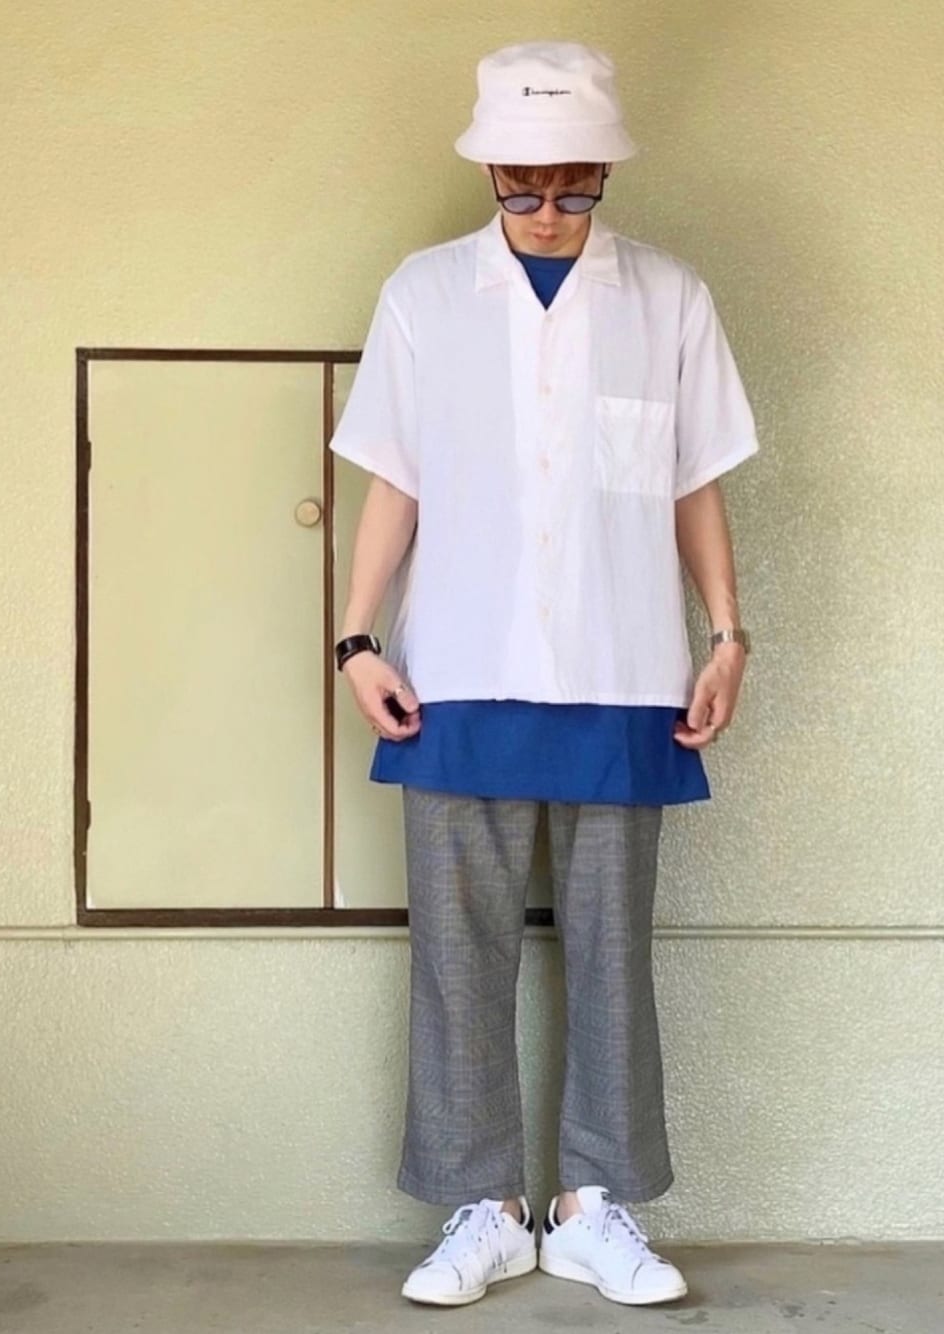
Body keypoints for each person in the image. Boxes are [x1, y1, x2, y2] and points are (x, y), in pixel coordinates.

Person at [329, 40, 758, 1310]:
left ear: (605, 173)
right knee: (456, 954)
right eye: (523, 188)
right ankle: (481, 1202)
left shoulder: (667, 298)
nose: (549, 211)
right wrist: (356, 639)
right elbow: (395, 479)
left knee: (612, 950)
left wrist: (726, 635)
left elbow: (691, 480)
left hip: (626, 667)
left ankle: (590, 1204)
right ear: (488, 173)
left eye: (575, 188)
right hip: (457, 663)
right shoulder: (425, 294)